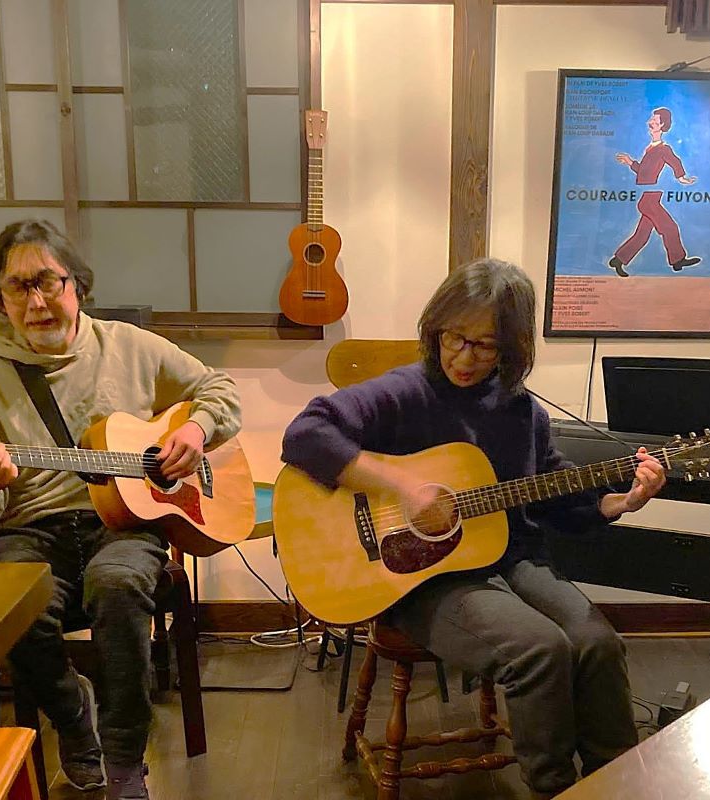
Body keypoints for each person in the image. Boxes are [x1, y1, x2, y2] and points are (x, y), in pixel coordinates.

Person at [280, 258, 666, 798]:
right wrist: (401, 486)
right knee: (539, 650)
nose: (464, 357)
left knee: (597, 644)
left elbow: (549, 492)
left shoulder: (522, 411)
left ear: (512, 348)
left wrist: (618, 502)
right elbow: (305, 434)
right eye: (454, 338)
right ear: (435, 329)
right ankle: (553, 788)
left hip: (510, 558)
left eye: (484, 346)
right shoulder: (405, 391)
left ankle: (615, 784)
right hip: (419, 578)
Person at [0, 219, 241, 799]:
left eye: (48, 282)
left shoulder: (129, 346)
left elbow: (219, 388)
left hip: (122, 523)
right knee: (12, 603)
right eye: (18, 287)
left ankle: (125, 758)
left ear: (76, 284)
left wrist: (197, 429)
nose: (36, 302)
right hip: (28, 528)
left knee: (119, 584)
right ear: (0, 299)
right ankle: (75, 718)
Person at [609, 106, 701, 277]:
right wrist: (631, 162)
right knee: (670, 227)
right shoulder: (650, 148)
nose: (649, 122)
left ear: (662, 125)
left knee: (642, 235)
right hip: (649, 200)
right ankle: (677, 260)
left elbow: (675, 161)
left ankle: (618, 260)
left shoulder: (663, 149)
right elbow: (644, 174)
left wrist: (681, 177)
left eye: (654, 120)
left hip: (651, 199)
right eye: (651, 119)